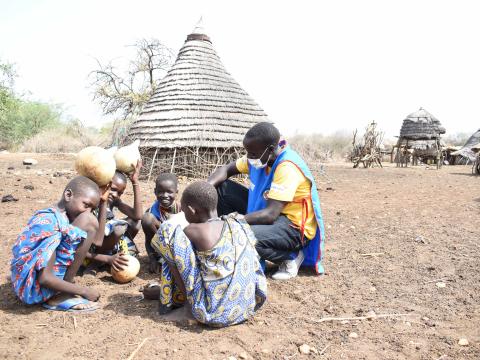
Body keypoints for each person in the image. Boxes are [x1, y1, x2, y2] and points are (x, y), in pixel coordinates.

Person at [208, 122, 325, 280]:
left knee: (241, 234)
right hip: (267, 210)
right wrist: (205, 188)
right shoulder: (260, 155)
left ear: (270, 149)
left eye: (253, 154)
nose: (249, 158)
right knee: (220, 189)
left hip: (293, 226)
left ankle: (291, 256)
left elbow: (270, 214)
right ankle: (232, 242)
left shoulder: (287, 167)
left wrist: (231, 221)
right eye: (247, 152)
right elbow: (226, 169)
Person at [151, 181, 267, 327]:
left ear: (192, 211)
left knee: (166, 235)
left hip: (213, 314)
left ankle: (188, 308)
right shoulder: (236, 223)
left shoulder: (193, 231)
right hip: (246, 306)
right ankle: (173, 296)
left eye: (185, 211)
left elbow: (182, 262)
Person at [10, 176, 108, 311]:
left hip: (32, 283)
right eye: (86, 205)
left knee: (89, 221)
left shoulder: (59, 215)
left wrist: (103, 203)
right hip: (34, 289)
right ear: (68, 195)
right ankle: (62, 294)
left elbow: (97, 241)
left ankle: (64, 289)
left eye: (92, 209)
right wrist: (83, 290)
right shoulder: (51, 224)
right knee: (89, 221)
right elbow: (45, 278)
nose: (87, 212)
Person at [84, 161, 143, 271]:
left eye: (120, 193)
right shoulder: (92, 200)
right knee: (118, 229)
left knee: (136, 222)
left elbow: (138, 215)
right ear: (104, 182)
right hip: (91, 245)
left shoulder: (114, 201)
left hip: (106, 241)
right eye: (113, 189)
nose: (116, 195)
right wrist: (103, 202)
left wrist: (135, 182)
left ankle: (111, 255)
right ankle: (96, 261)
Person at [141, 173, 180, 274]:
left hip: (179, 250)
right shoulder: (152, 212)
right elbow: (148, 240)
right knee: (147, 219)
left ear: (176, 192)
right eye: (160, 192)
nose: (165, 195)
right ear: (155, 192)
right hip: (161, 249)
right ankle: (161, 259)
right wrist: (152, 260)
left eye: (169, 192)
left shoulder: (182, 209)